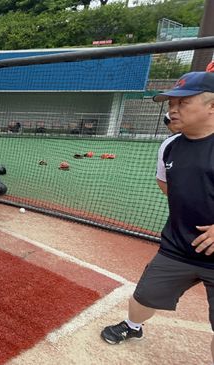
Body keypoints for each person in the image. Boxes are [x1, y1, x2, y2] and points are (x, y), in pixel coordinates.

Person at [101, 72, 214, 362]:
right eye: (170, 104)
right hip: (178, 247)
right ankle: (132, 326)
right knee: (143, 297)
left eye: (182, 103)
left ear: (211, 106)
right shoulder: (170, 146)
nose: (172, 110)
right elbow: (168, 187)